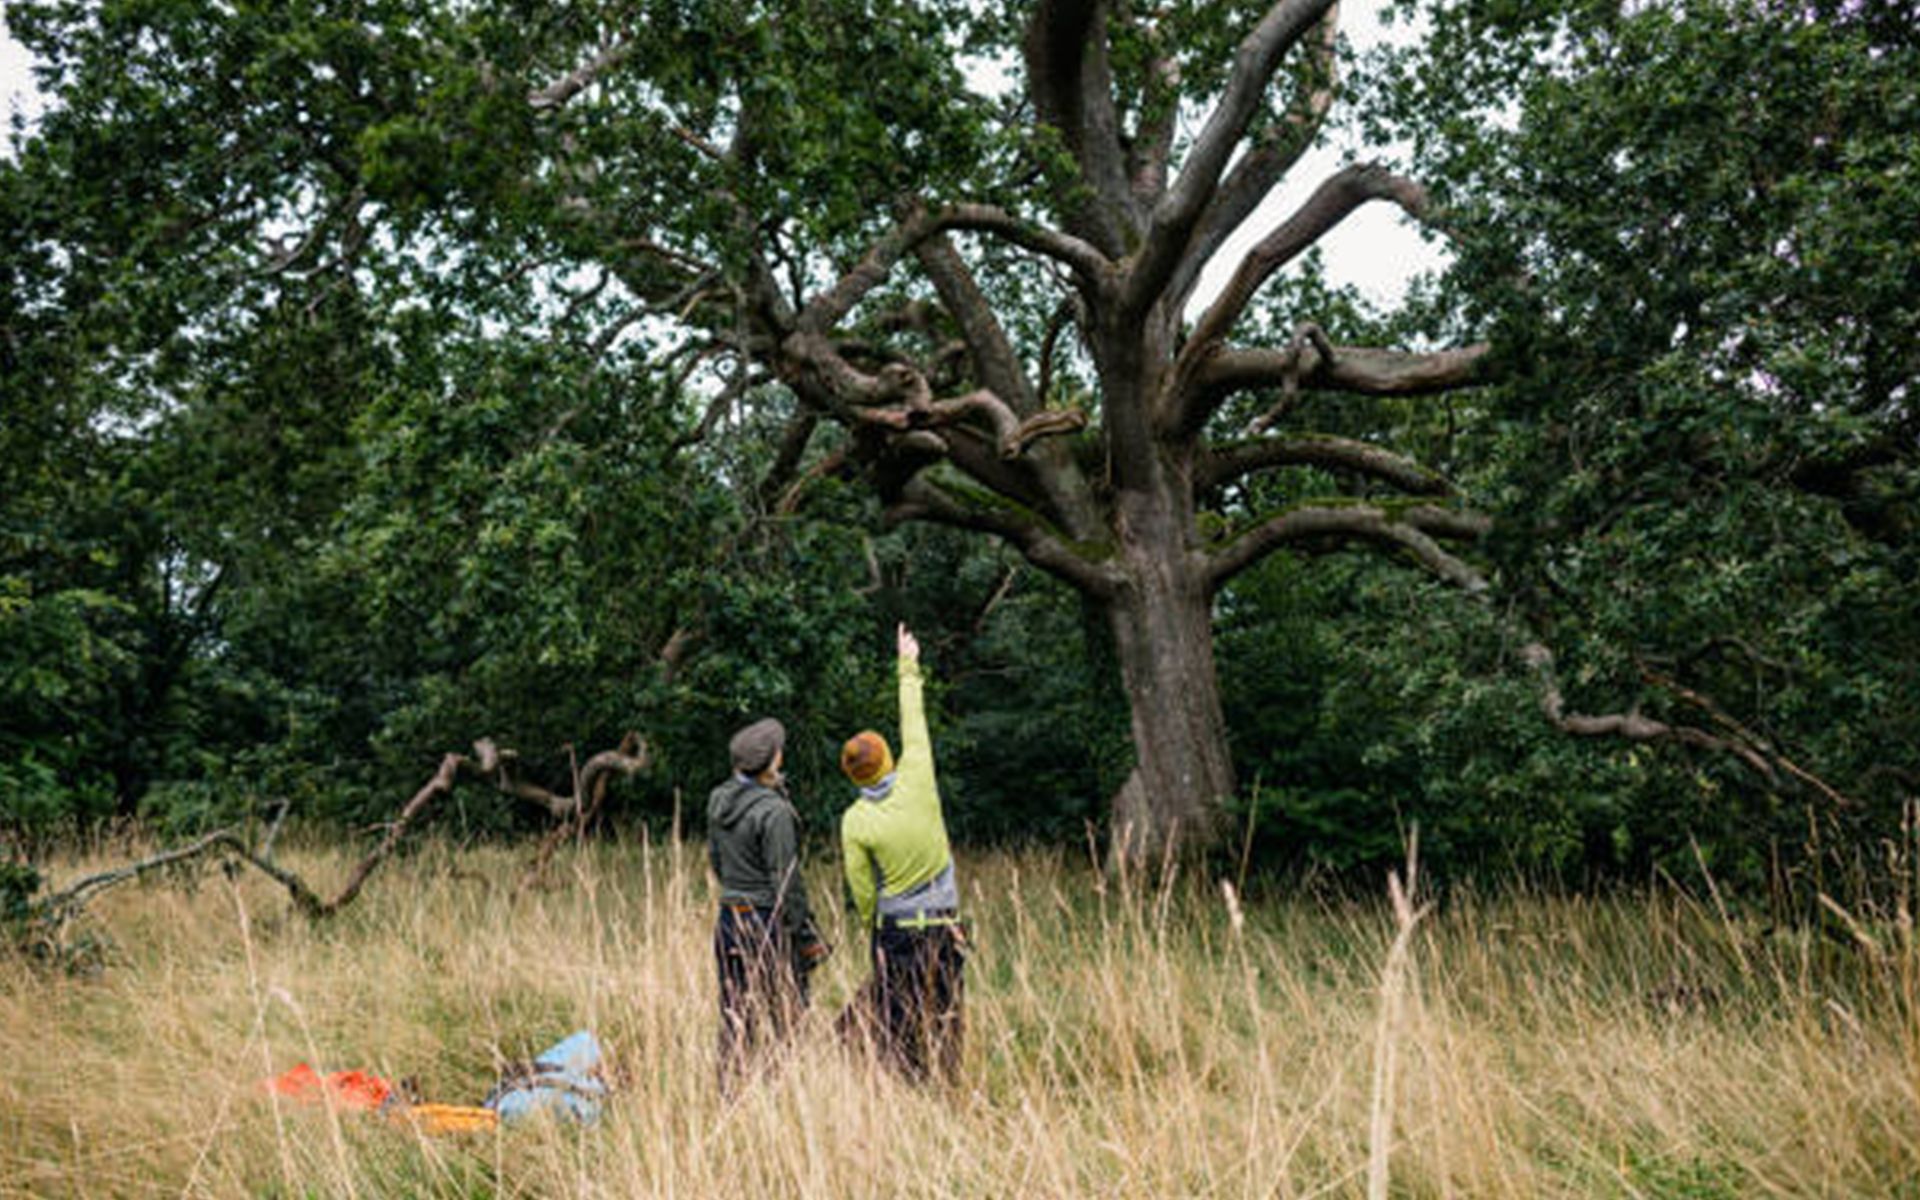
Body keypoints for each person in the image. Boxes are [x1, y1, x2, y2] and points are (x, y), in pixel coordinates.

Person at [839, 624, 967, 1084]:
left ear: (854, 776)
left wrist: (872, 922)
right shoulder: (917, 775)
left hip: (894, 932)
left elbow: (860, 884)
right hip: (944, 924)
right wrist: (907, 664)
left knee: (898, 1025)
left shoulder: (855, 820)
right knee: (947, 1019)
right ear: (889, 758)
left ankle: (904, 1093)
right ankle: (947, 1089)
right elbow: (914, 720)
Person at [708, 717, 828, 1095]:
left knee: (735, 1012)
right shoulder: (773, 811)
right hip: (765, 920)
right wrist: (806, 933)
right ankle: (778, 1095)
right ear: (772, 760)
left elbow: (716, 861)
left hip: (729, 916)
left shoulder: (717, 799)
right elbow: (786, 881)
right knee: (786, 1014)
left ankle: (729, 1091)